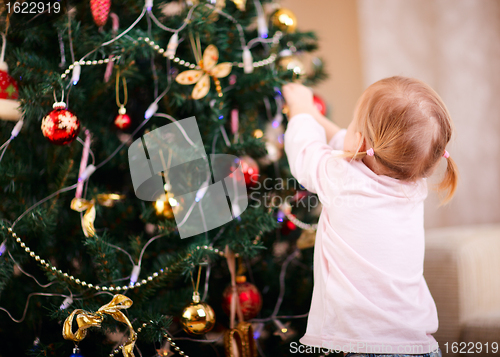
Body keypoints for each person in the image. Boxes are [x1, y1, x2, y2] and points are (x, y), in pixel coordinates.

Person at [282, 76, 458, 357]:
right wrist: (316, 115)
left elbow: (304, 150)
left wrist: (301, 108)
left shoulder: (340, 177)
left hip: (360, 347)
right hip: (418, 346)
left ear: (362, 142)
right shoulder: (413, 184)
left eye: (353, 123)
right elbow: (353, 146)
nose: (347, 130)